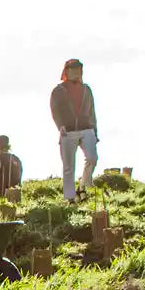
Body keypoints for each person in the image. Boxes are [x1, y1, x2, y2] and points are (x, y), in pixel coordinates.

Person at [51, 58, 99, 202]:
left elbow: (92, 111)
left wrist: (95, 131)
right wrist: (60, 126)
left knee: (92, 157)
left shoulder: (86, 89)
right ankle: (70, 197)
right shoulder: (58, 90)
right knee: (68, 166)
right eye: (73, 69)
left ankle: (83, 185)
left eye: (78, 69)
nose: (76, 72)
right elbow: (55, 110)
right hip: (68, 131)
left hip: (87, 129)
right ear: (67, 72)